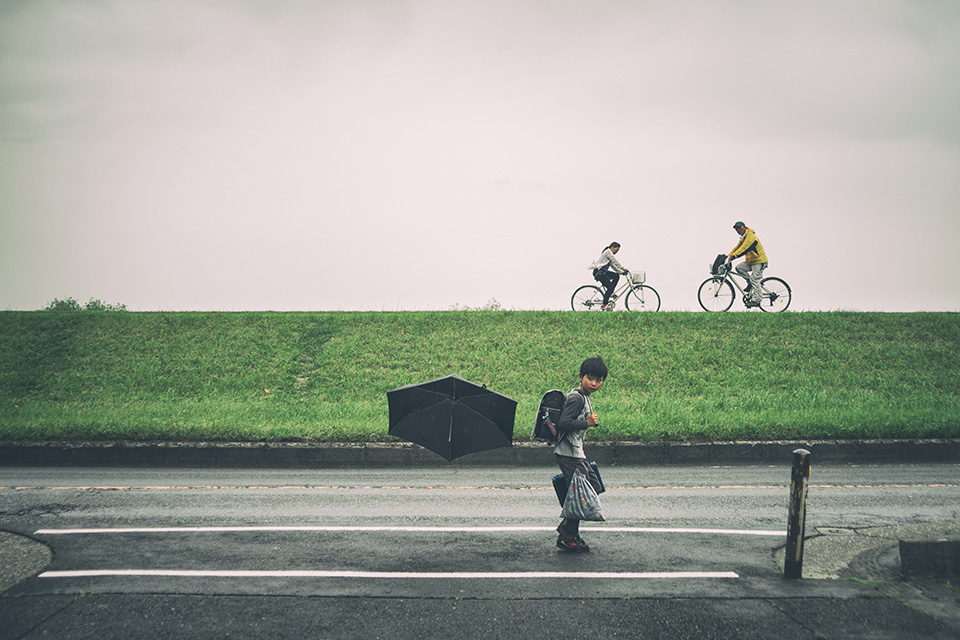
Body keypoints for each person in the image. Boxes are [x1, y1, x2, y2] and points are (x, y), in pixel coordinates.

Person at [554, 356, 608, 552]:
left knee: (593, 485)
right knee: (580, 494)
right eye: (590, 378)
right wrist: (587, 423)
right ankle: (567, 537)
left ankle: (568, 528)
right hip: (569, 454)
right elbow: (563, 423)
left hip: (576, 452)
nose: (594, 383)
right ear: (580, 376)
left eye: (599, 380)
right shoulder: (577, 398)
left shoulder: (584, 397)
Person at [727, 221, 768, 307]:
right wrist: (728, 256)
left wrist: (734, 256)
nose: (738, 230)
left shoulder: (750, 236)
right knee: (739, 268)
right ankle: (749, 283)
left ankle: (757, 300)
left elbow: (744, 248)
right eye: (736, 229)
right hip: (751, 261)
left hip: (759, 261)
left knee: (754, 279)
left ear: (744, 227)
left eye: (739, 228)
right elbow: (737, 247)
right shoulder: (743, 237)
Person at [589, 242, 628, 311]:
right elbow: (615, 261)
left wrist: (621, 272)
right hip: (599, 272)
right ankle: (604, 304)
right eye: (616, 249)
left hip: (603, 272)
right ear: (612, 247)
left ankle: (611, 293)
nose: (616, 251)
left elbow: (613, 266)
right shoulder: (608, 252)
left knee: (616, 276)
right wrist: (624, 268)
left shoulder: (609, 254)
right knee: (610, 288)